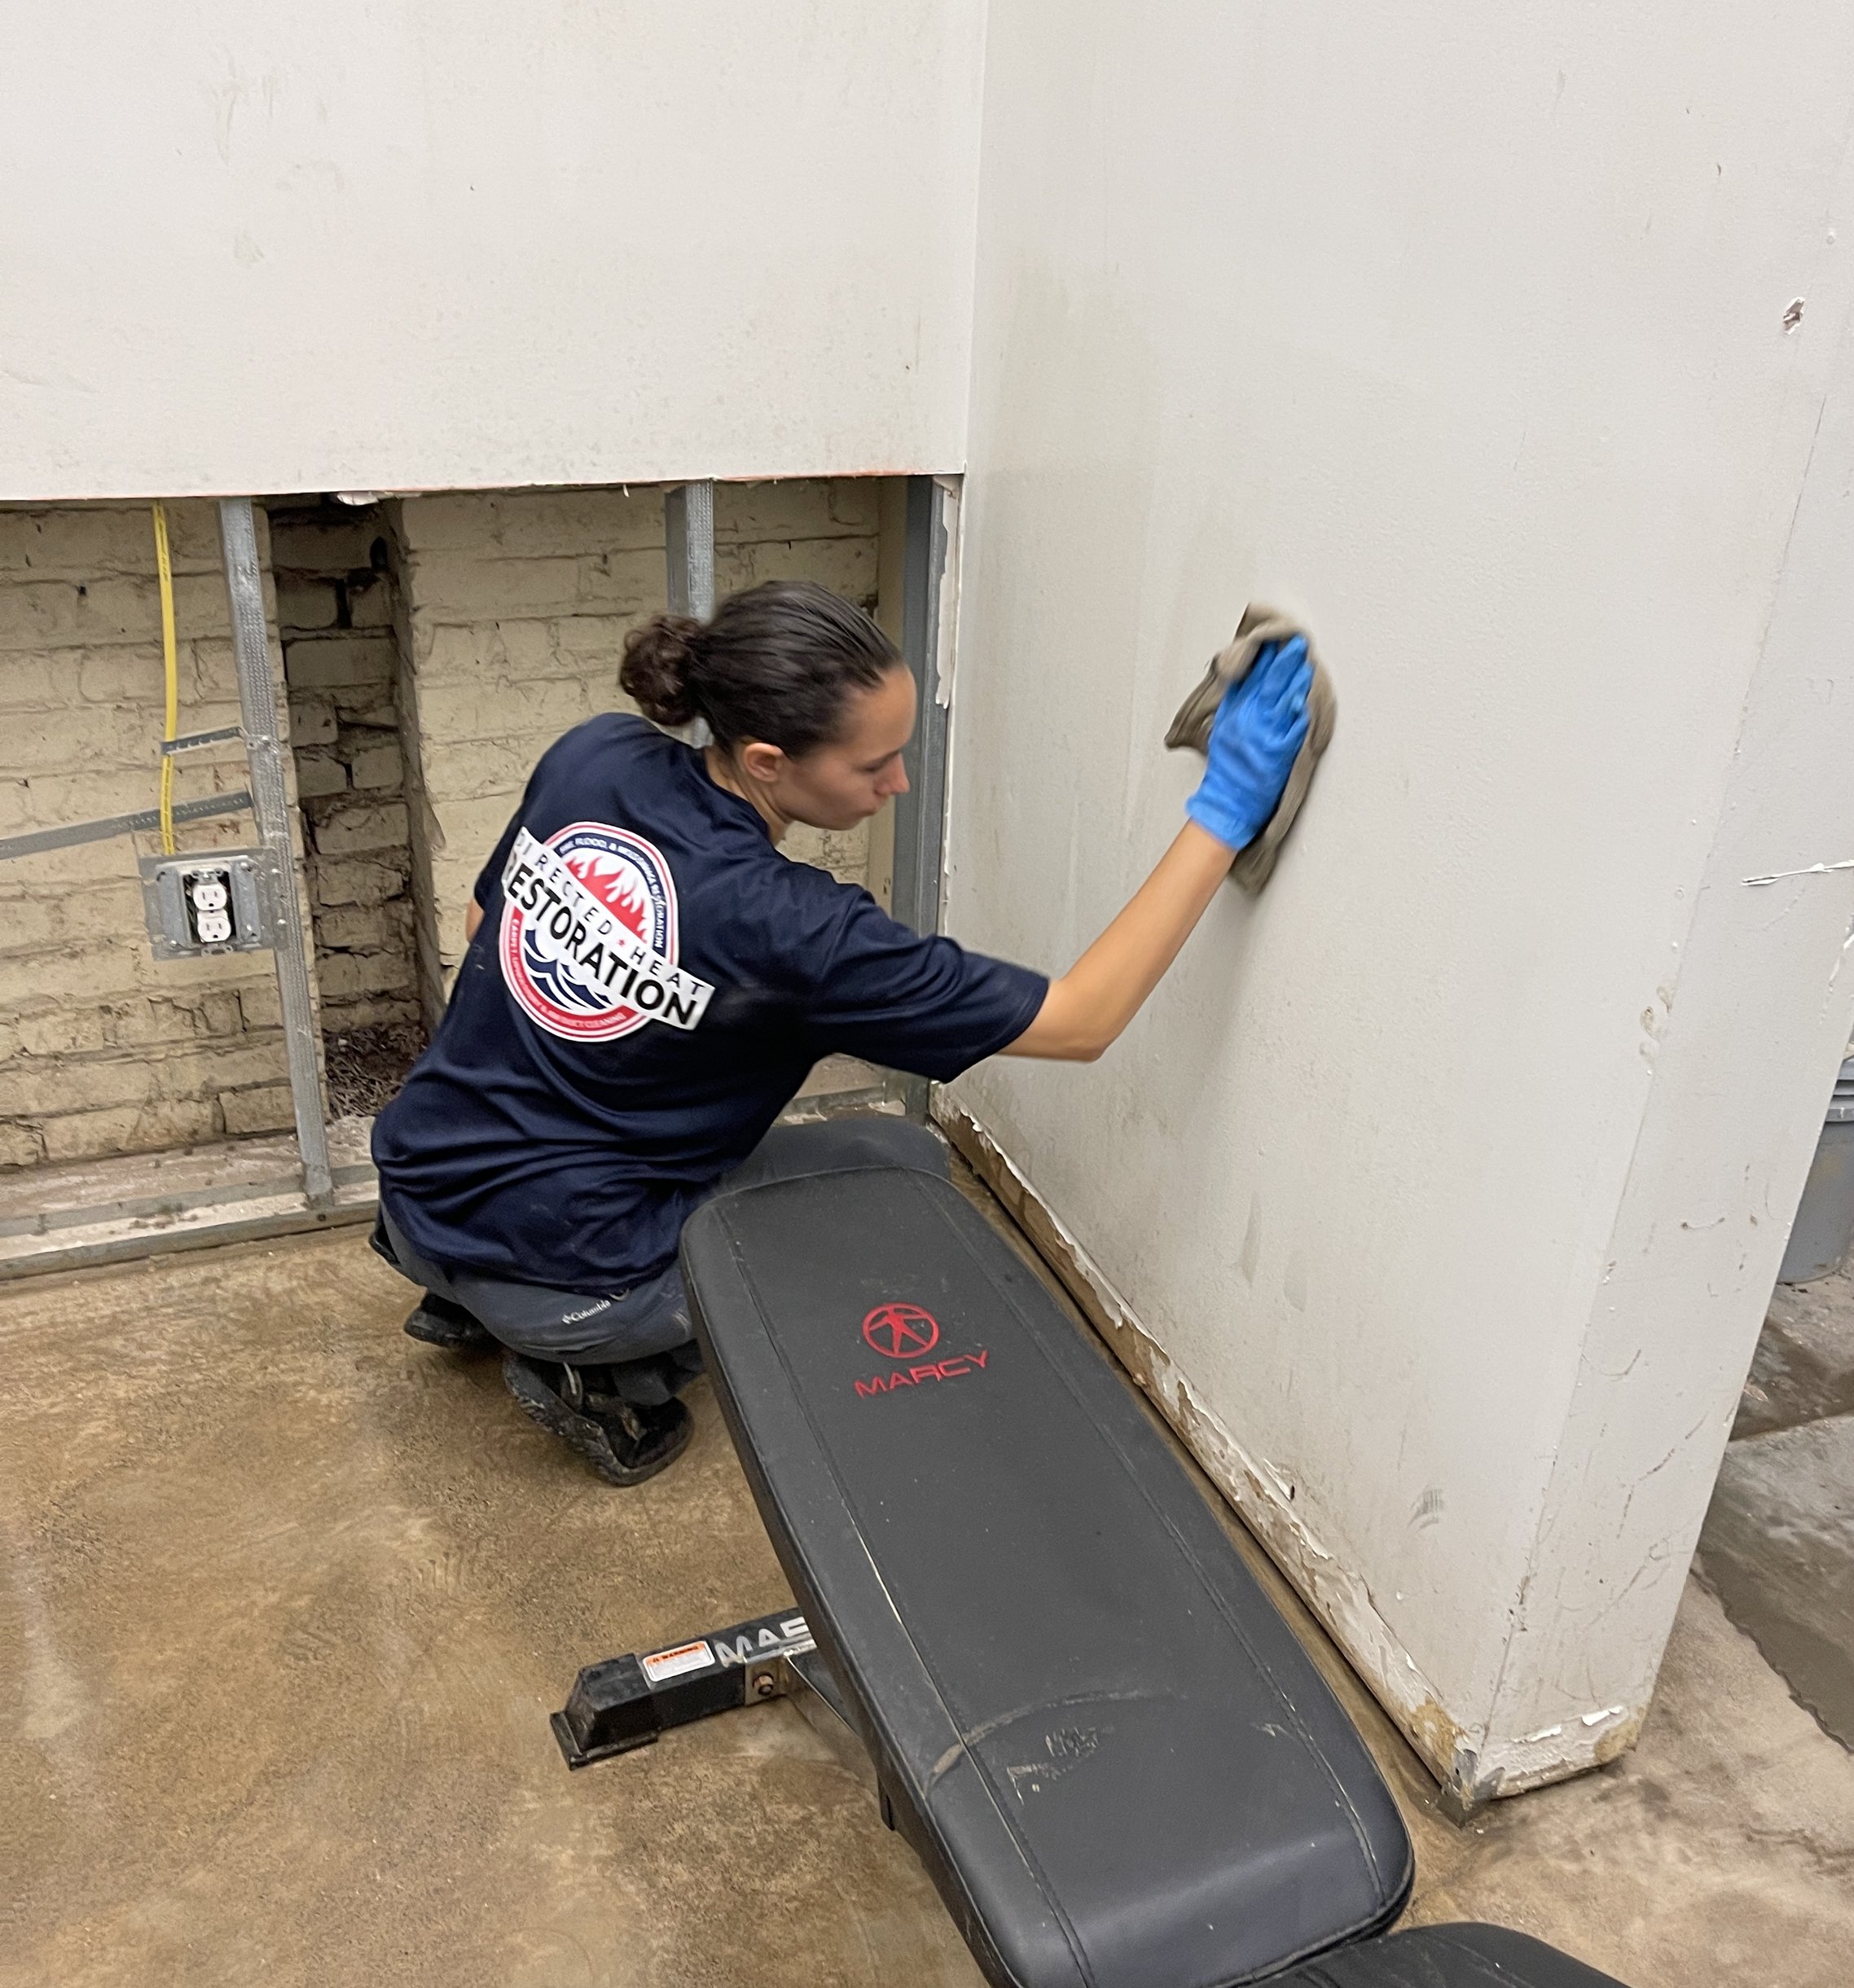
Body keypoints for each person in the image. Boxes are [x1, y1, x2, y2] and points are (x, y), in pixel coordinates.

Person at [371, 580, 1312, 1483]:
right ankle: (596, 1370)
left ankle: (464, 1295)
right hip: (575, 1284)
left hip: (415, 1186)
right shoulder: (797, 932)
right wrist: (1224, 810)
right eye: (870, 766)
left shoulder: (598, 757)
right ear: (766, 761)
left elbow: (483, 921)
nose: (896, 783)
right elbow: (1083, 1020)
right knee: (901, 1177)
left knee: (687, 1148)